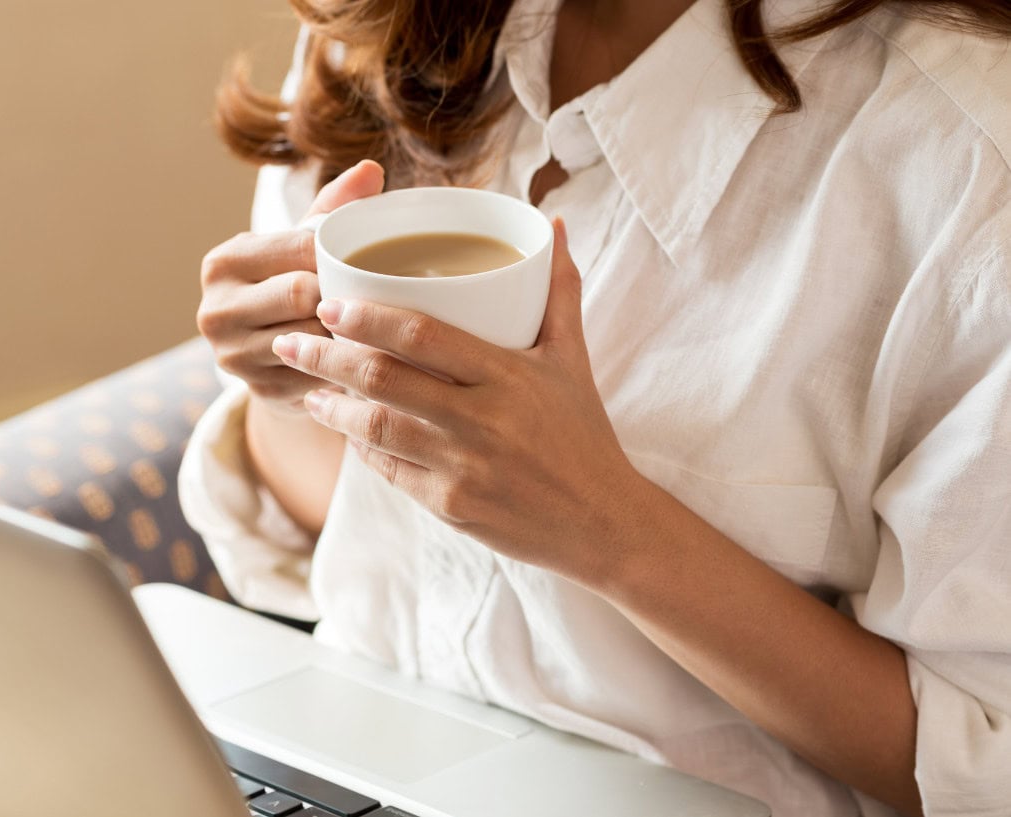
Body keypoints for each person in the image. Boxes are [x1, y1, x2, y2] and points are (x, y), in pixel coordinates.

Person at [178, 0, 1011, 814]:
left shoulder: (968, 172)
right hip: (349, 757)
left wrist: (606, 526)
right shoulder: (379, 32)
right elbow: (340, 521)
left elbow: (982, 759)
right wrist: (290, 376)